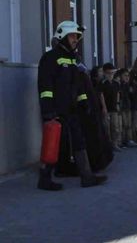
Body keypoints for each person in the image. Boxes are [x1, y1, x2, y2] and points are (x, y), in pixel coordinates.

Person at [36, 20, 107, 190]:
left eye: (77, 37)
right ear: (62, 36)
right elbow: (45, 86)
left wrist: (83, 102)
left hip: (72, 109)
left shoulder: (74, 59)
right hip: (56, 110)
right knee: (53, 141)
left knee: (79, 141)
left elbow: (79, 85)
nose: (76, 39)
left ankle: (87, 177)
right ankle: (44, 179)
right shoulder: (50, 58)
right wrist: (48, 110)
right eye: (73, 36)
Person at [100, 63, 123, 152]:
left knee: (115, 127)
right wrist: (104, 107)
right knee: (106, 127)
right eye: (109, 73)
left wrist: (117, 104)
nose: (111, 75)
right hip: (106, 108)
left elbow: (117, 94)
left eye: (112, 73)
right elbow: (101, 95)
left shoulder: (116, 83)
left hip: (114, 108)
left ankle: (115, 144)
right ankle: (108, 144)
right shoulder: (103, 83)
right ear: (105, 73)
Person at [118, 69, 137, 147]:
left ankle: (129, 140)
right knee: (124, 124)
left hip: (128, 106)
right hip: (122, 107)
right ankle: (122, 141)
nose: (127, 77)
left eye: (128, 76)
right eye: (125, 75)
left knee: (129, 124)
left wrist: (131, 92)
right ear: (120, 76)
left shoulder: (129, 85)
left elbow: (132, 97)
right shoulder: (119, 85)